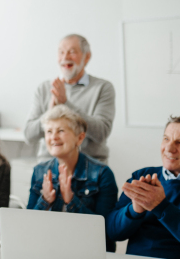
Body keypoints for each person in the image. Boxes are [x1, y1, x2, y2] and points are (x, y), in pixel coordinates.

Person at [106, 115, 180, 259]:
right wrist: (135, 210)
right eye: (166, 139)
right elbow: (112, 233)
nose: (169, 148)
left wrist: (161, 206)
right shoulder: (142, 175)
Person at [27, 105, 118, 252]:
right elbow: (28, 225)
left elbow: (105, 231)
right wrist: (45, 200)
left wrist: (71, 200)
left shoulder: (102, 174)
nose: (53, 137)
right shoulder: (39, 171)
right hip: (50, 249)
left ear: (80, 137)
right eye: (49, 131)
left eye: (61, 131)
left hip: (87, 251)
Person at [24, 34, 115, 164]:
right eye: (61, 52)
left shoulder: (103, 87)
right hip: (48, 165)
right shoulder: (44, 88)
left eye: (72, 52)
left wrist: (65, 104)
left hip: (90, 167)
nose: (65, 58)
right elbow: (29, 135)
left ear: (87, 56)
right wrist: (50, 112)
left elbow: (101, 133)